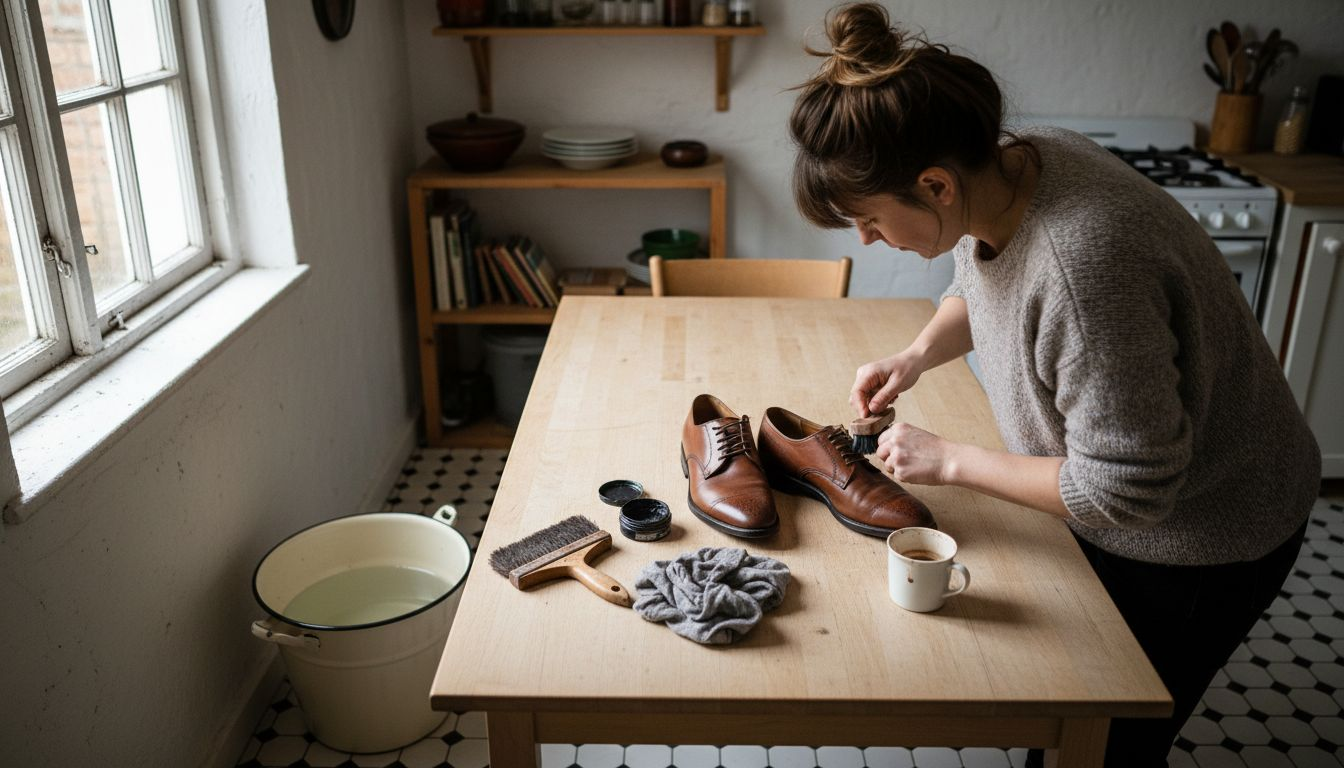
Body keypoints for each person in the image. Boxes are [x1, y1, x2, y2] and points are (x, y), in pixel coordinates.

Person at [789, 4, 1322, 766]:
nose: (869, 240)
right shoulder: (1019, 164)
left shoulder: (1086, 264)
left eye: (869, 220)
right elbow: (983, 275)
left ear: (935, 185)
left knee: (1099, 747)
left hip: (1208, 528)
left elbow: (1128, 491)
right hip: (1139, 498)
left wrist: (950, 462)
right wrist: (915, 356)